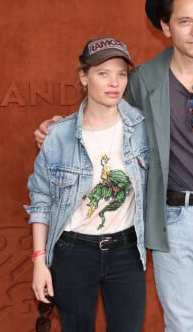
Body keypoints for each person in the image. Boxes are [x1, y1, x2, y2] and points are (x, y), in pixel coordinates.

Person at [35, 0, 193, 332]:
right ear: (166, 27)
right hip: (173, 221)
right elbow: (105, 112)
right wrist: (58, 129)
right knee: (181, 326)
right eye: (185, 22)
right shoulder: (143, 81)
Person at [24, 36, 149, 332]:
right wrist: (40, 262)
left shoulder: (143, 128)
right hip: (73, 252)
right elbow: (41, 200)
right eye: (102, 73)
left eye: (121, 74)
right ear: (84, 77)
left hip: (126, 250)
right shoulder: (58, 136)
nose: (113, 82)